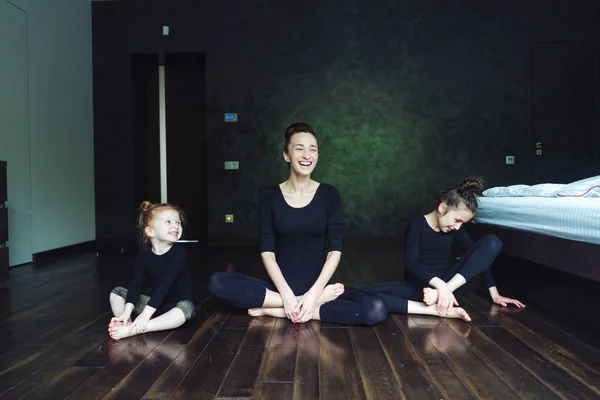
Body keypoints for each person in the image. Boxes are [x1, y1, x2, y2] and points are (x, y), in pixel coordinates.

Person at [208, 122, 386, 326]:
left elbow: (334, 250)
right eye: (299, 149)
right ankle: (295, 307)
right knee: (217, 283)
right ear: (286, 155)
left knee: (376, 309)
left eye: (313, 149)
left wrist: (314, 294)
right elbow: (267, 250)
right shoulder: (269, 195)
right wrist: (287, 296)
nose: (307, 155)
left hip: (318, 288)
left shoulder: (329, 194)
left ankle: (280, 310)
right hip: (278, 288)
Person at [360, 177, 525, 322]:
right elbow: (412, 264)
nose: (457, 226)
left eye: (462, 224)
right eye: (457, 220)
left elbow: (479, 260)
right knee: (362, 293)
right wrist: (440, 287)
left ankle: (442, 296)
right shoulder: (417, 223)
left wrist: (495, 294)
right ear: (442, 208)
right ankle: (431, 307)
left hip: (448, 289)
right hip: (419, 289)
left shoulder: (456, 230)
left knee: (493, 241)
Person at [108, 201, 195, 340]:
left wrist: (145, 314)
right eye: (168, 222)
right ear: (150, 231)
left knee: (187, 308)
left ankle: (136, 329)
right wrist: (126, 312)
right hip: (155, 305)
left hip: (174, 307)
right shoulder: (144, 254)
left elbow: (165, 285)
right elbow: (136, 283)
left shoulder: (179, 253)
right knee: (117, 292)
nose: (175, 226)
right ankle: (126, 322)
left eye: (178, 222)